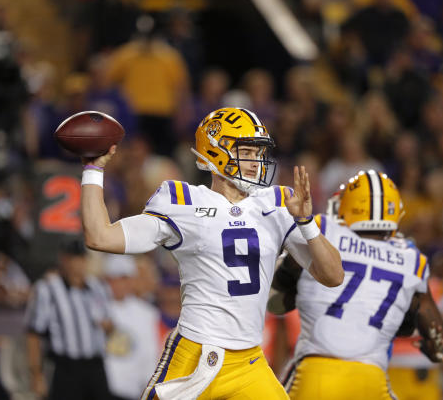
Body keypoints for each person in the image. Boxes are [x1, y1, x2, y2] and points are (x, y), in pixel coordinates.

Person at [80, 107, 343, 400]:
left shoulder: (278, 203)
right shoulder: (183, 202)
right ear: (216, 150)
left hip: (249, 362)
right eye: (247, 151)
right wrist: (94, 169)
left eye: (259, 153)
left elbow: (333, 276)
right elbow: (100, 236)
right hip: (195, 355)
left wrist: (306, 223)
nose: (256, 162)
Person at [268, 170, 443, 399]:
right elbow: (441, 343)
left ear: (349, 206)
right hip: (371, 380)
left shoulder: (321, 230)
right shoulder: (412, 258)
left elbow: (276, 303)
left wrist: (289, 278)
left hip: (317, 373)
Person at [25, 239, 114, 400]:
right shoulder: (47, 289)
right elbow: (34, 334)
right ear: (63, 260)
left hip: (95, 365)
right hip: (66, 367)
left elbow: (109, 325)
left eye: (81, 258)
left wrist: (108, 327)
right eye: (74, 258)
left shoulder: (98, 288)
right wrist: (36, 374)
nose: (79, 264)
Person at [103, 254, 160, 400]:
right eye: (114, 279)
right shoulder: (96, 308)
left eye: (124, 278)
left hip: (132, 392)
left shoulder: (147, 314)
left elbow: (150, 356)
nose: (119, 284)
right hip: (99, 390)